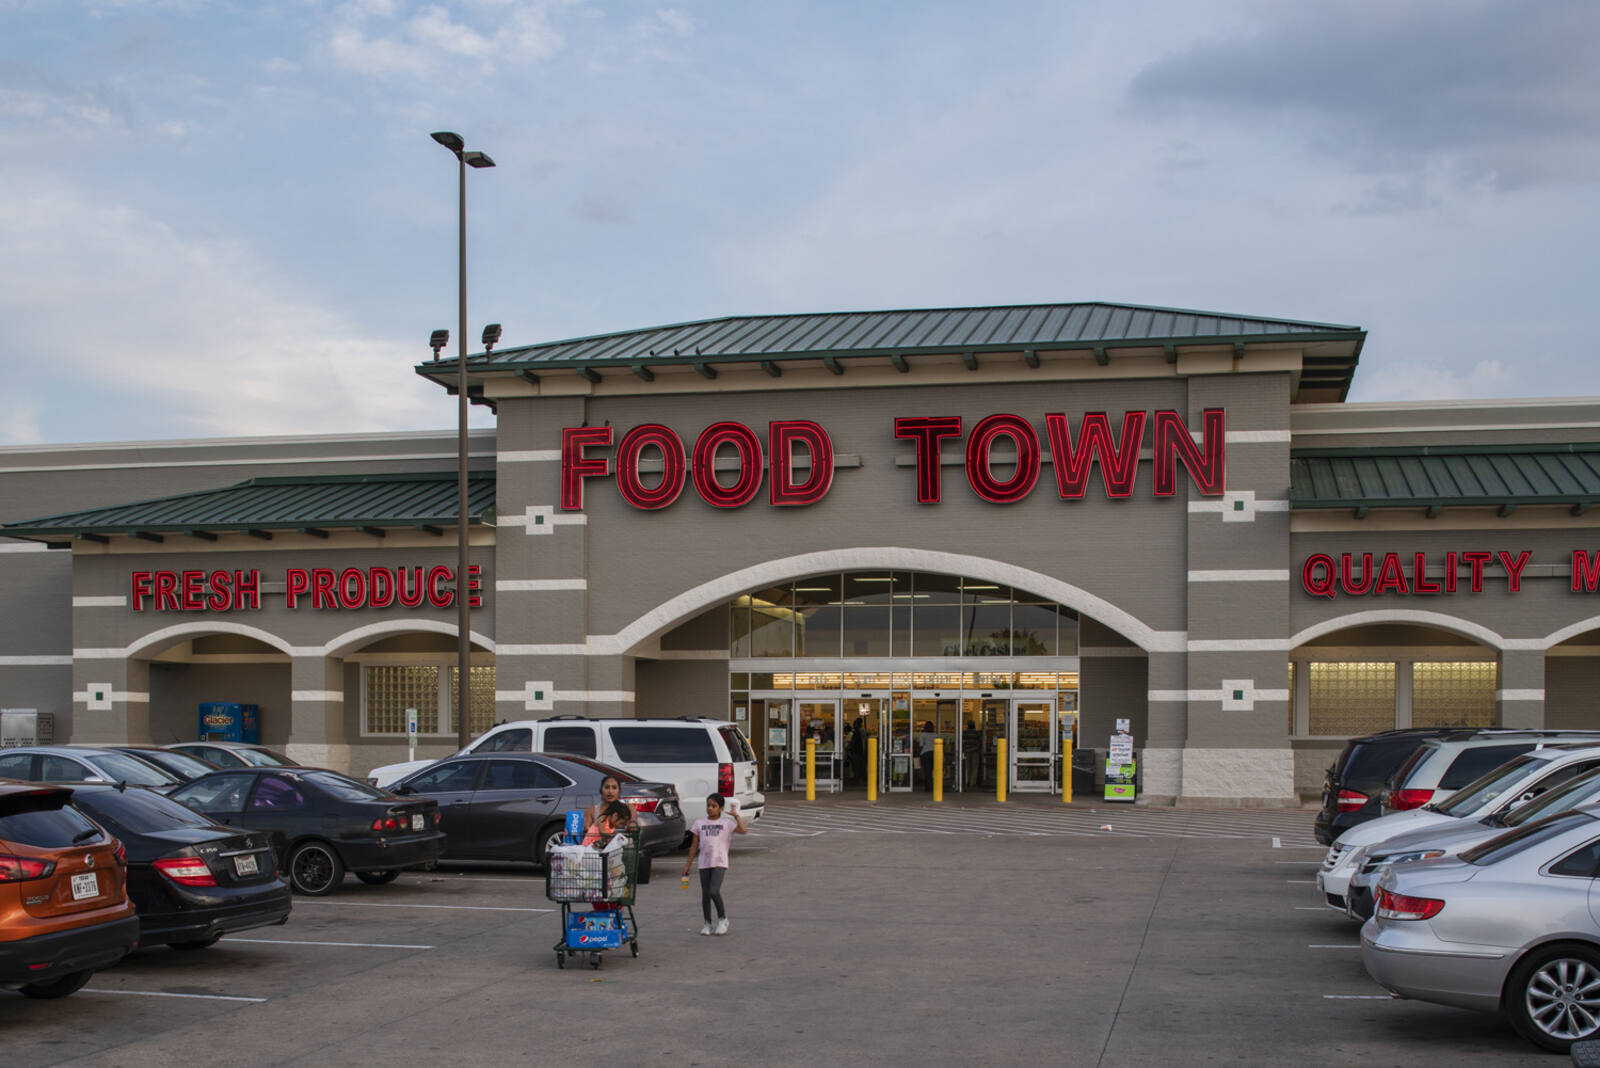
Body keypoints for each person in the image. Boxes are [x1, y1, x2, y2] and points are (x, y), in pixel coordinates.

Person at [683, 792, 747, 936]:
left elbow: (743, 830)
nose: (710, 808)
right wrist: (687, 866)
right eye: (708, 805)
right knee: (705, 895)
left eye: (714, 806)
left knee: (713, 891)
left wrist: (736, 816)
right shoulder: (699, 823)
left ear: (721, 808)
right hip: (704, 862)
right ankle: (707, 923)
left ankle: (723, 919)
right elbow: (694, 846)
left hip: (720, 862)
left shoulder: (726, 823)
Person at [916, 721, 937, 792]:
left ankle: (928, 787)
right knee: (933, 771)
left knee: (927, 771)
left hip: (925, 754)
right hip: (935, 753)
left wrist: (918, 754)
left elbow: (921, 745)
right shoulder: (935, 735)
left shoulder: (923, 735)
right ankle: (932, 787)